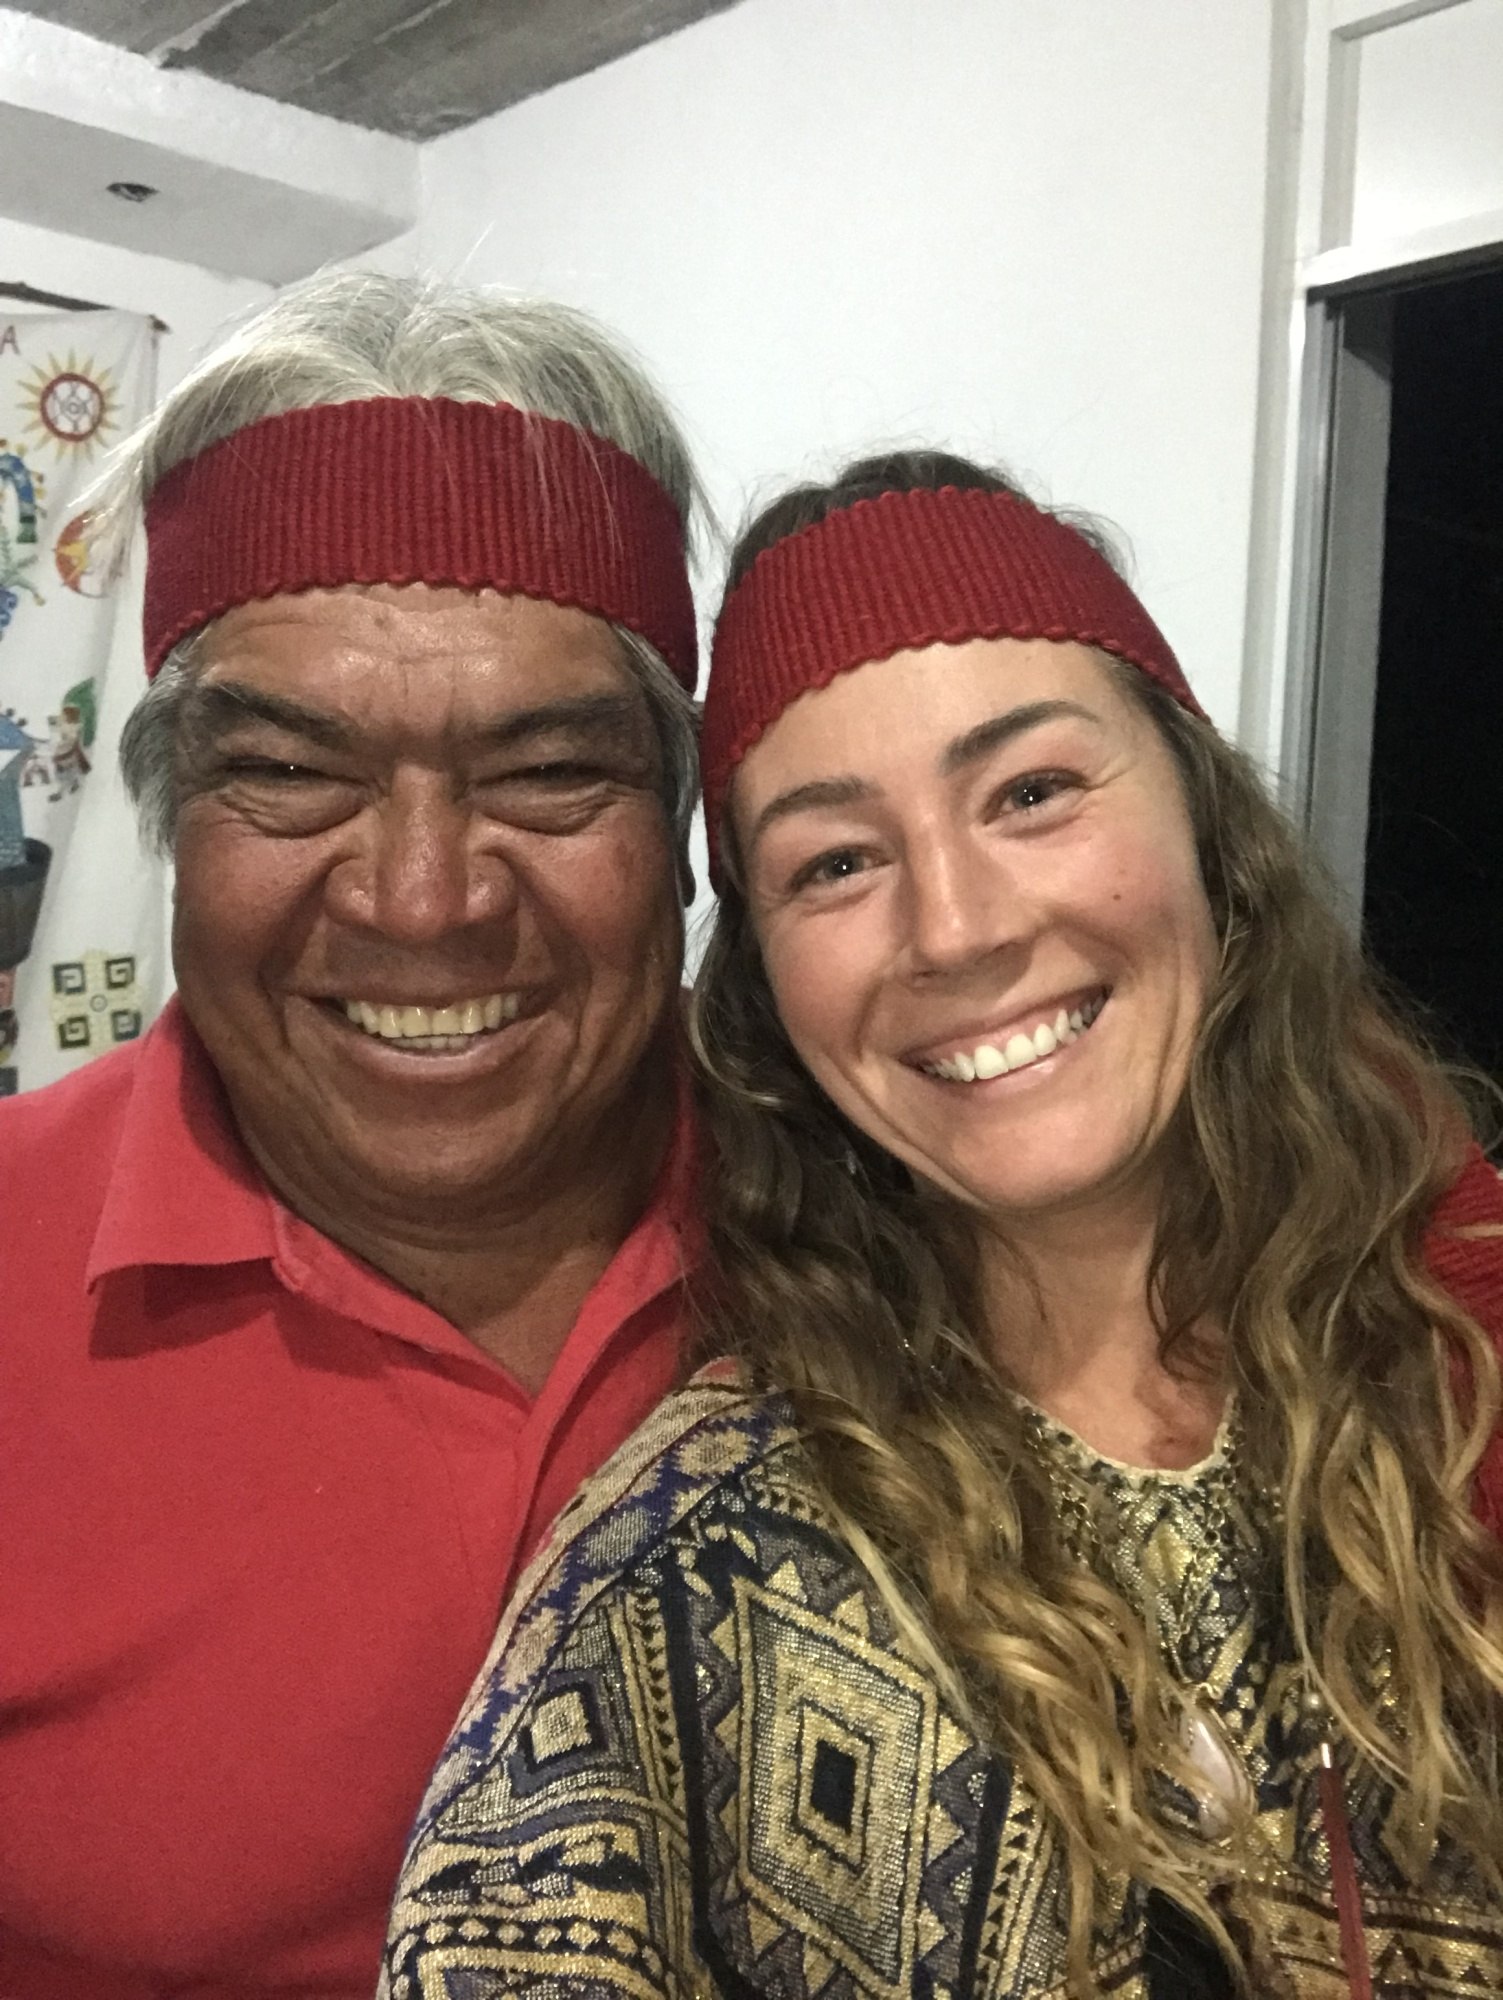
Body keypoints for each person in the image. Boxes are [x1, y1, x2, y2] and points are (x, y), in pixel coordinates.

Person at [383, 450, 1503, 1997]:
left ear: (1205, 827)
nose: (959, 928)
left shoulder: (1456, 1349)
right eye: (836, 862)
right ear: (768, 991)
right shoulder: (687, 1580)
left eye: (1032, 793)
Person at [0, 271, 706, 1998]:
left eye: (547, 773)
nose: (424, 901)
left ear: (689, 824)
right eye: (294, 776)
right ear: (170, 821)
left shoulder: (924, 1224)